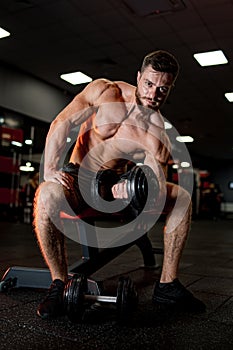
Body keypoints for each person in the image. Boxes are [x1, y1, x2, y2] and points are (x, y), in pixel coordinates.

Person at [34, 50, 206, 319]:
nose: (153, 93)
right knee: (46, 195)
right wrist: (51, 169)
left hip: (117, 186)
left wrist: (138, 190)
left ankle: (167, 285)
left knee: (181, 197)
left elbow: (155, 185)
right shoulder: (104, 92)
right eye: (149, 84)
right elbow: (63, 122)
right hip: (79, 177)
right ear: (138, 77)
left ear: (170, 88)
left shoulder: (158, 136)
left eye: (163, 89)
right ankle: (59, 284)